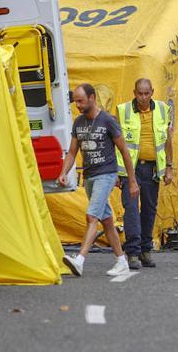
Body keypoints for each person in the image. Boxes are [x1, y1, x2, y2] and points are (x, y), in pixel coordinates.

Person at [59, 83, 139, 277]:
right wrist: (63, 172)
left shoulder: (107, 120)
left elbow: (124, 151)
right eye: (76, 101)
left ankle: (80, 260)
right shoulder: (78, 122)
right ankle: (122, 261)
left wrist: (132, 180)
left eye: (81, 101)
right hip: (90, 176)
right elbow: (72, 152)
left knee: (91, 216)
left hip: (106, 174)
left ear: (92, 98)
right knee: (107, 221)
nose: (77, 105)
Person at [116, 78, 173, 269]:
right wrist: (118, 171)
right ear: (134, 92)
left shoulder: (163, 110)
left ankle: (145, 250)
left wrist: (170, 167)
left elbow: (167, 140)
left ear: (152, 92)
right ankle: (132, 252)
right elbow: (115, 142)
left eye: (146, 93)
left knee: (149, 210)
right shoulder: (123, 110)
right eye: (139, 93)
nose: (143, 97)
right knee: (131, 210)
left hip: (152, 169)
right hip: (129, 170)